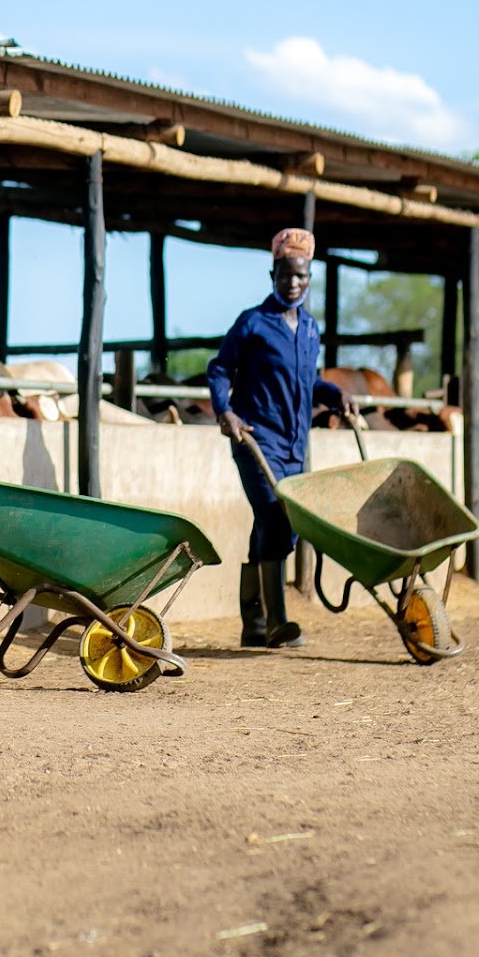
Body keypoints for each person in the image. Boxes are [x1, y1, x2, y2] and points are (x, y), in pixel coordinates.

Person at [206, 228, 357, 650]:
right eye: (286, 275)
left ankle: (252, 622)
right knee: (274, 514)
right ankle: (276, 622)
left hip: (295, 444)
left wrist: (335, 393)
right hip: (255, 436)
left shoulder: (309, 328)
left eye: (301, 276)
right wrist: (225, 411)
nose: (293, 283)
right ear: (272, 273)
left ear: (309, 277)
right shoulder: (253, 322)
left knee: (276, 523)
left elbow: (307, 382)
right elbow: (220, 369)